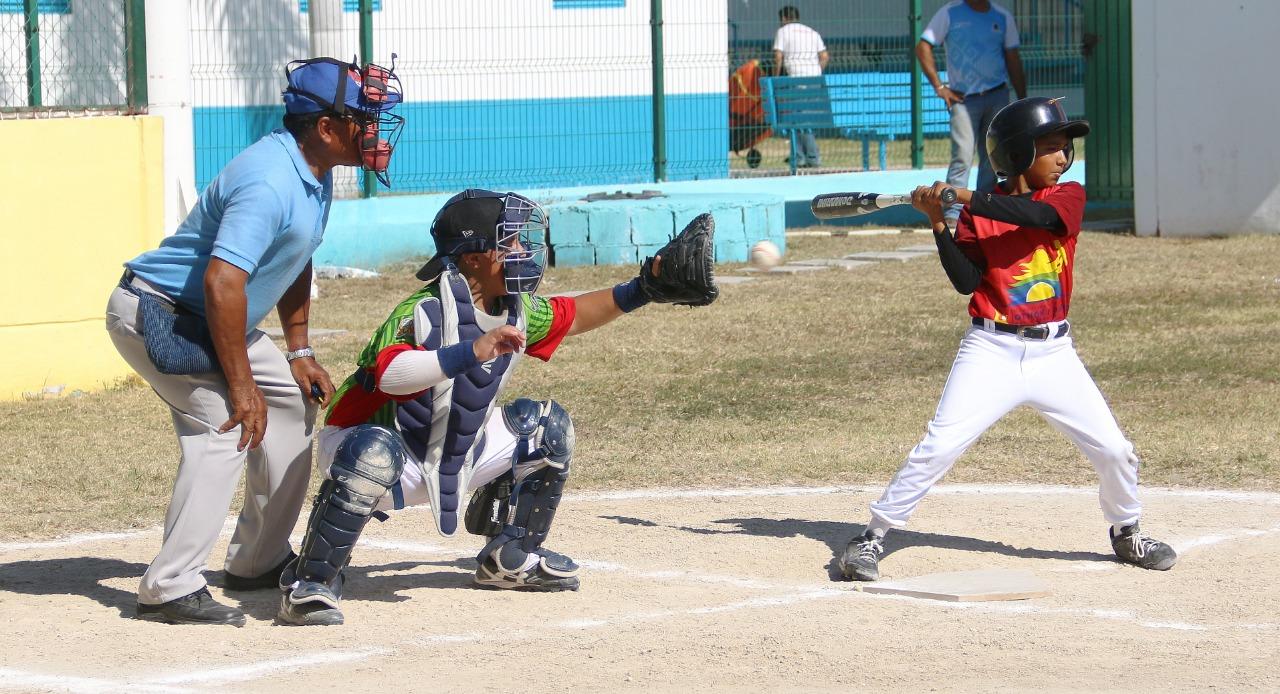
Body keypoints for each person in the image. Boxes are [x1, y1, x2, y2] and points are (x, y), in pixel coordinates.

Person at [275, 190, 719, 626]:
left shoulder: (515, 307)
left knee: (547, 429)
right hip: (377, 446)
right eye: (509, 242)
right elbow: (392, 375)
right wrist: (470, 351)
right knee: (371, 453)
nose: (524, 250)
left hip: (455, 449)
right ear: (472, 258)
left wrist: (644, 288)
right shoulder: (423, 309)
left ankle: (511, 557)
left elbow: (575, 313)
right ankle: (312, 581)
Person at [105, 56, 405, 626]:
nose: (374, 129)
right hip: (157, 314)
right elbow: (223, 282)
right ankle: (168, 587)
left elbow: (295, 255)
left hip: (213, 318)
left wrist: (299, 349)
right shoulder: (269, 180)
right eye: (364, 118)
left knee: (291, 408)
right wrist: (241, 386)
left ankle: (256, 561)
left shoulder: (313, 172)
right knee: (225, 426)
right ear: (324, 127)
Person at [839, 97, 1178, 582]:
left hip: (1054, 353)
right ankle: (871, 537)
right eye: (1053, 149)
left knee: (1114, 449)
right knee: (939, 446)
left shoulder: (1067, 198)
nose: (1064, 159)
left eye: (1066, 149)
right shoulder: (979, 214)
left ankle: (1127, 532)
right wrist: (939, 221)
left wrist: (964, 197)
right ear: (1018, 154)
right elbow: (965, 280)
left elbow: (1034, 219)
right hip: (991, 349)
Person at [917, 0, 1027, 223]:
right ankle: (952, 215)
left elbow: (1013, 58)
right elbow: (923, 46)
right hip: (963, 99)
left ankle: (985, 213)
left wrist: (1023, 99)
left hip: (997, 96)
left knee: (993, 158)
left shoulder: (1002, 16)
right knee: (962, 156)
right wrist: (940, 87)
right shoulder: (949, 13)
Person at [772, 5, 828, 168]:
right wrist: (816, 70)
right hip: (813, 80)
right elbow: (824, 56)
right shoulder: (811, 31)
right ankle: (802, 156)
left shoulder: (783, 31)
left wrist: (776, 76)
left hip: (795, 79)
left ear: (783, 18)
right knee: (804, 118)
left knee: (797, 119)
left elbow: (777, 56)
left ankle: (808, 156)